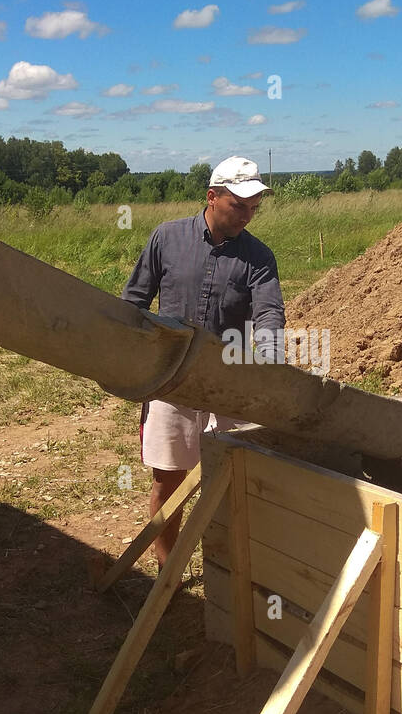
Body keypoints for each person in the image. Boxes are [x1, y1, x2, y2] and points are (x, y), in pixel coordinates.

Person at [122, 156, 286, 567]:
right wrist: (124, 356)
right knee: (168, 480)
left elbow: (268, 313)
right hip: (170, 381)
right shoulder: (167, 238)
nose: (248, 216)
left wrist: (268, 360)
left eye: (254, 208)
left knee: (234, 482)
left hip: (229, 385)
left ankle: (231, 573)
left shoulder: (259, 257)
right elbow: (134, 302)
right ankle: (167, 571)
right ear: (212, 197)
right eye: (240, 206)